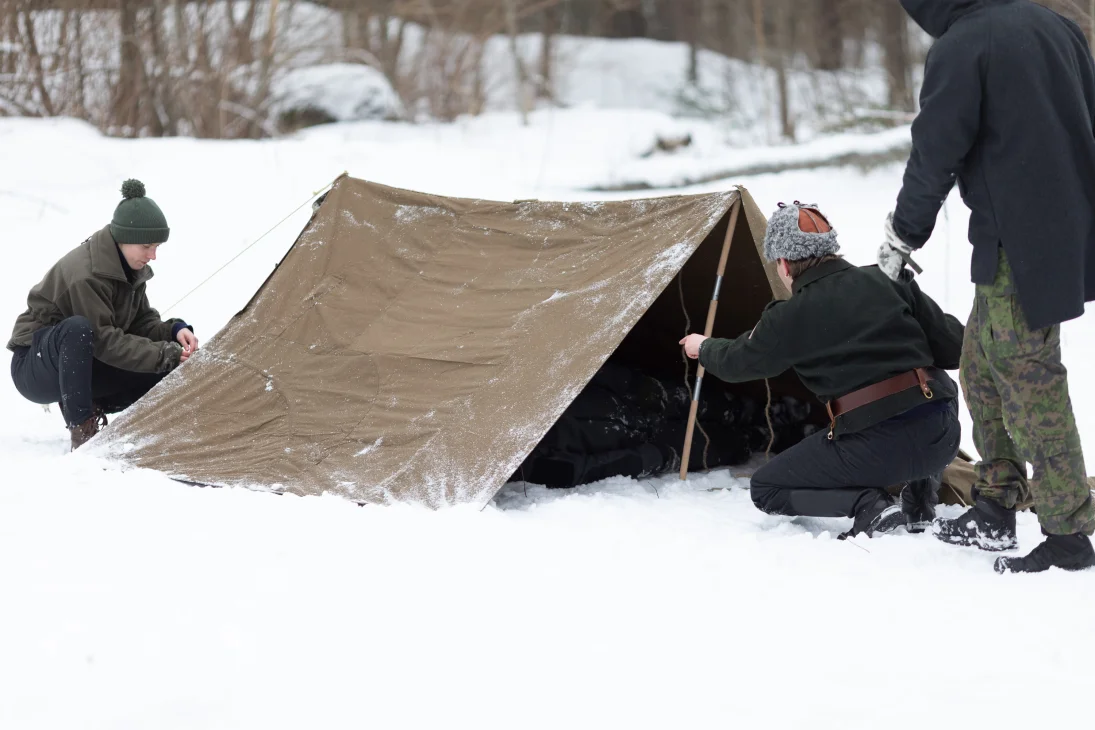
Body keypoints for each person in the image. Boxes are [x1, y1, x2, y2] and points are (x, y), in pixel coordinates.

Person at [880, 0, 1095, 572]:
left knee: (1029, 381)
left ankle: (1069, 533)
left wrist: (903, 233)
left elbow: (935, 152)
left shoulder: (963, 44)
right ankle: (996, 504)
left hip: (1020, 241)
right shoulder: (1056, 26)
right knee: (980, 365)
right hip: (1049, 229)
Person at [681, 201, 964, 539]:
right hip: (943, 436)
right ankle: (920, 502)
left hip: (879, 451)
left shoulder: (789, 316)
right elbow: (953, 348)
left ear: (784, 264)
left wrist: (704, 347)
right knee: (917, 394)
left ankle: (868, 506)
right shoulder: (889, 281)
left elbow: (741, 361)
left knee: (766, 487)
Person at [7, 179, 198, 450]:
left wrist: (173, 331)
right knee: (78, 329)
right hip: (34, 367)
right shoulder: (86, 274)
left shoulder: (129, 266)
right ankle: (83, 430)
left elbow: (141, 322)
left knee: (168, 364)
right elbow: (104, 341)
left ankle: (104, 410)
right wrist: (163, 353)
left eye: (157, 247)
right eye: (147, 247)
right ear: (125, 239)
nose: (153, 255)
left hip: (83, 361)